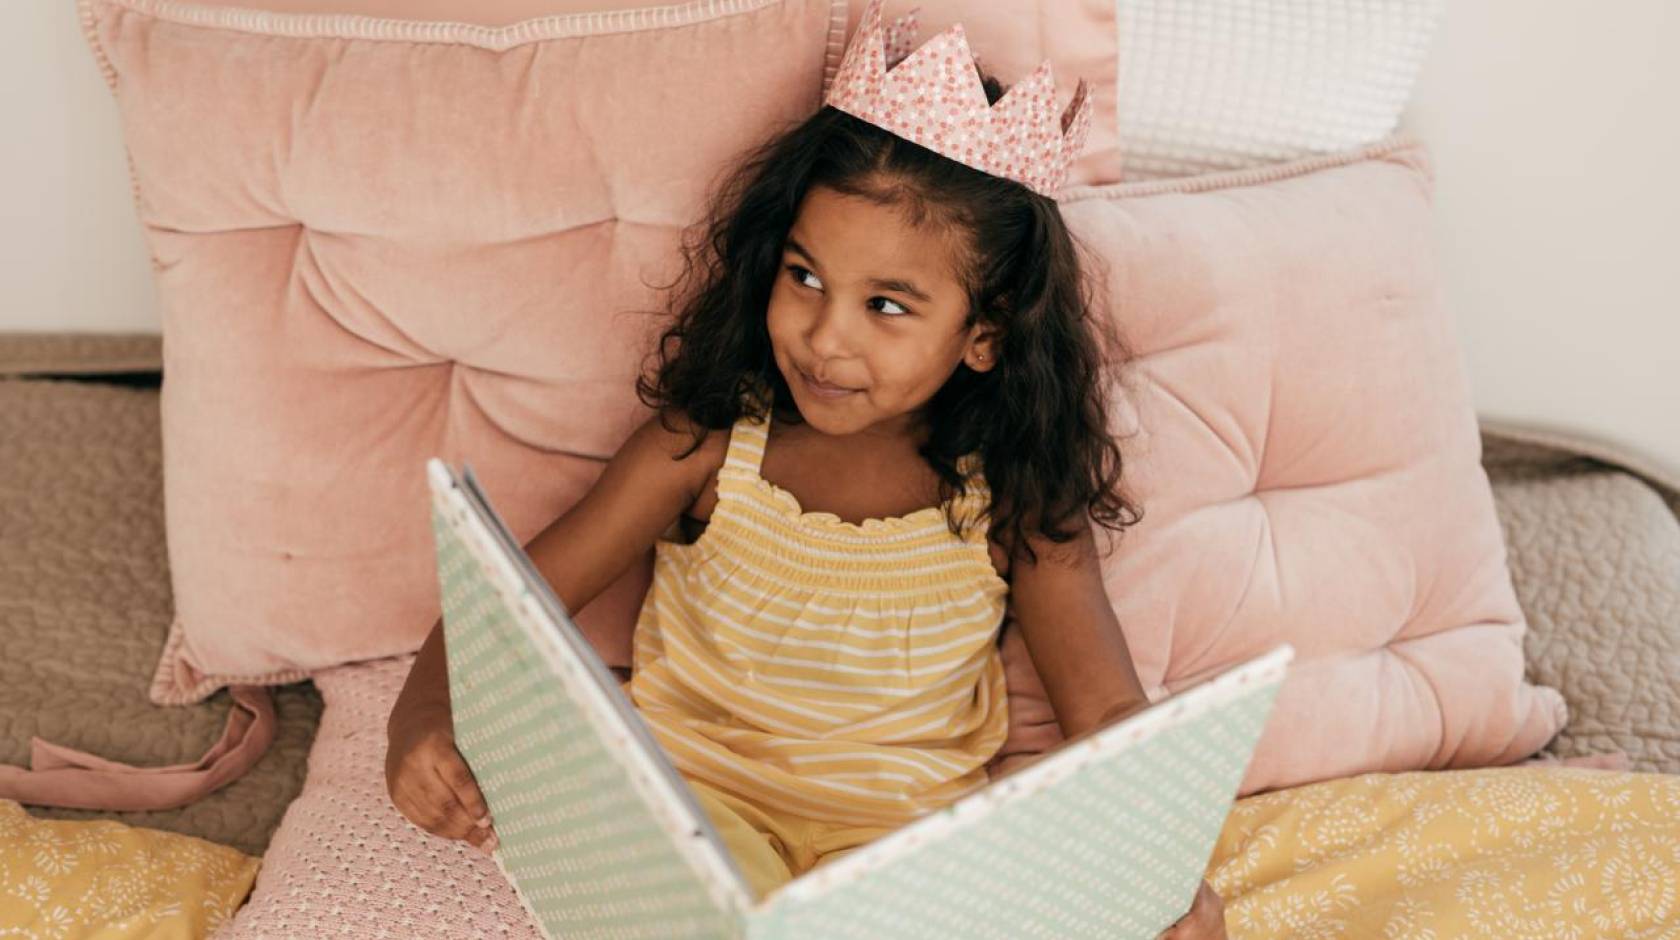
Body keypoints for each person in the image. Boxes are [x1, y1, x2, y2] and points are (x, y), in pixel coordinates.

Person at [388, 2, 1225, 936]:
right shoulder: (706, 446)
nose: (825, 338)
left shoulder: (1017, 498)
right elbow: (504, 607)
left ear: (985, 334)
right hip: (695, 812)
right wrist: (419, 717)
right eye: (806, 278)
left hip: (906, 847)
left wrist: (1165, 866)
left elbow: (1107, 712)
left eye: (887, 307)